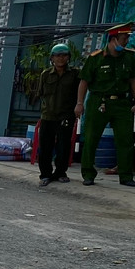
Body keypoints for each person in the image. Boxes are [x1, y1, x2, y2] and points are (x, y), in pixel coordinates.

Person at [76, 21, 135, 187]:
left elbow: (133, 79)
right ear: (113, 39)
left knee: (125, 139)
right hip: (99, 101)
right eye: (124, 37)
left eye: (127, 37)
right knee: (91, 138)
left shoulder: (129, 56)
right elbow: (84, 82)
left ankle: (126, 176)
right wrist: (79, 103)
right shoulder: (95, 58)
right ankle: (88, 174)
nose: (126, 40)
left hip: (121, 102)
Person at [35, 43, 80, 187]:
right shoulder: (46, 74)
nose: (61, 58)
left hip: (66, 115)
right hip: (48, 115)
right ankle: (45, 174)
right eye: (57, 55)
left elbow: (79, 93)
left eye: (64, 55)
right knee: (45, 146)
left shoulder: (75, 74)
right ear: (52, 58)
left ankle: (61, 172)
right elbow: (41, 93)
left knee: (64, 145)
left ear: (68, 57)